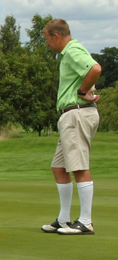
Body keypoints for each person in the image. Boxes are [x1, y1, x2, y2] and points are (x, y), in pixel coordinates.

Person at [40, 19, 101, 235]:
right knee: (59, 167)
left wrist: (83, 91)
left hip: (77, 113)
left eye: (47, 39)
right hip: (70, 115)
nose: (47, 44)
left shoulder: (73, 50)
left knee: (78, 167)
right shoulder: (67, 54)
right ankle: (64, 219)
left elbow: (95, 69)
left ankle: (85, 222)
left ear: (56, 36)